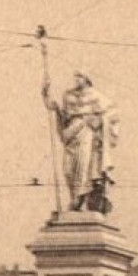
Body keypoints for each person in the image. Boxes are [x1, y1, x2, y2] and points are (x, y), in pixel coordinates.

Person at [43, 72, 119, 212]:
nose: (76, 79)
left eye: (79, 76)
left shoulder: (96, 95)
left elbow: (112, 113)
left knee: (83, 168)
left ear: (87, 78)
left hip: (87, 133)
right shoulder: (68, 95)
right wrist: (46, 94)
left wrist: (99, 120)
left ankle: (78, 200)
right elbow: (60, 112)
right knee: (68, 169)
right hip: (71, 134)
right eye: (75, 76)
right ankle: (76, 198)